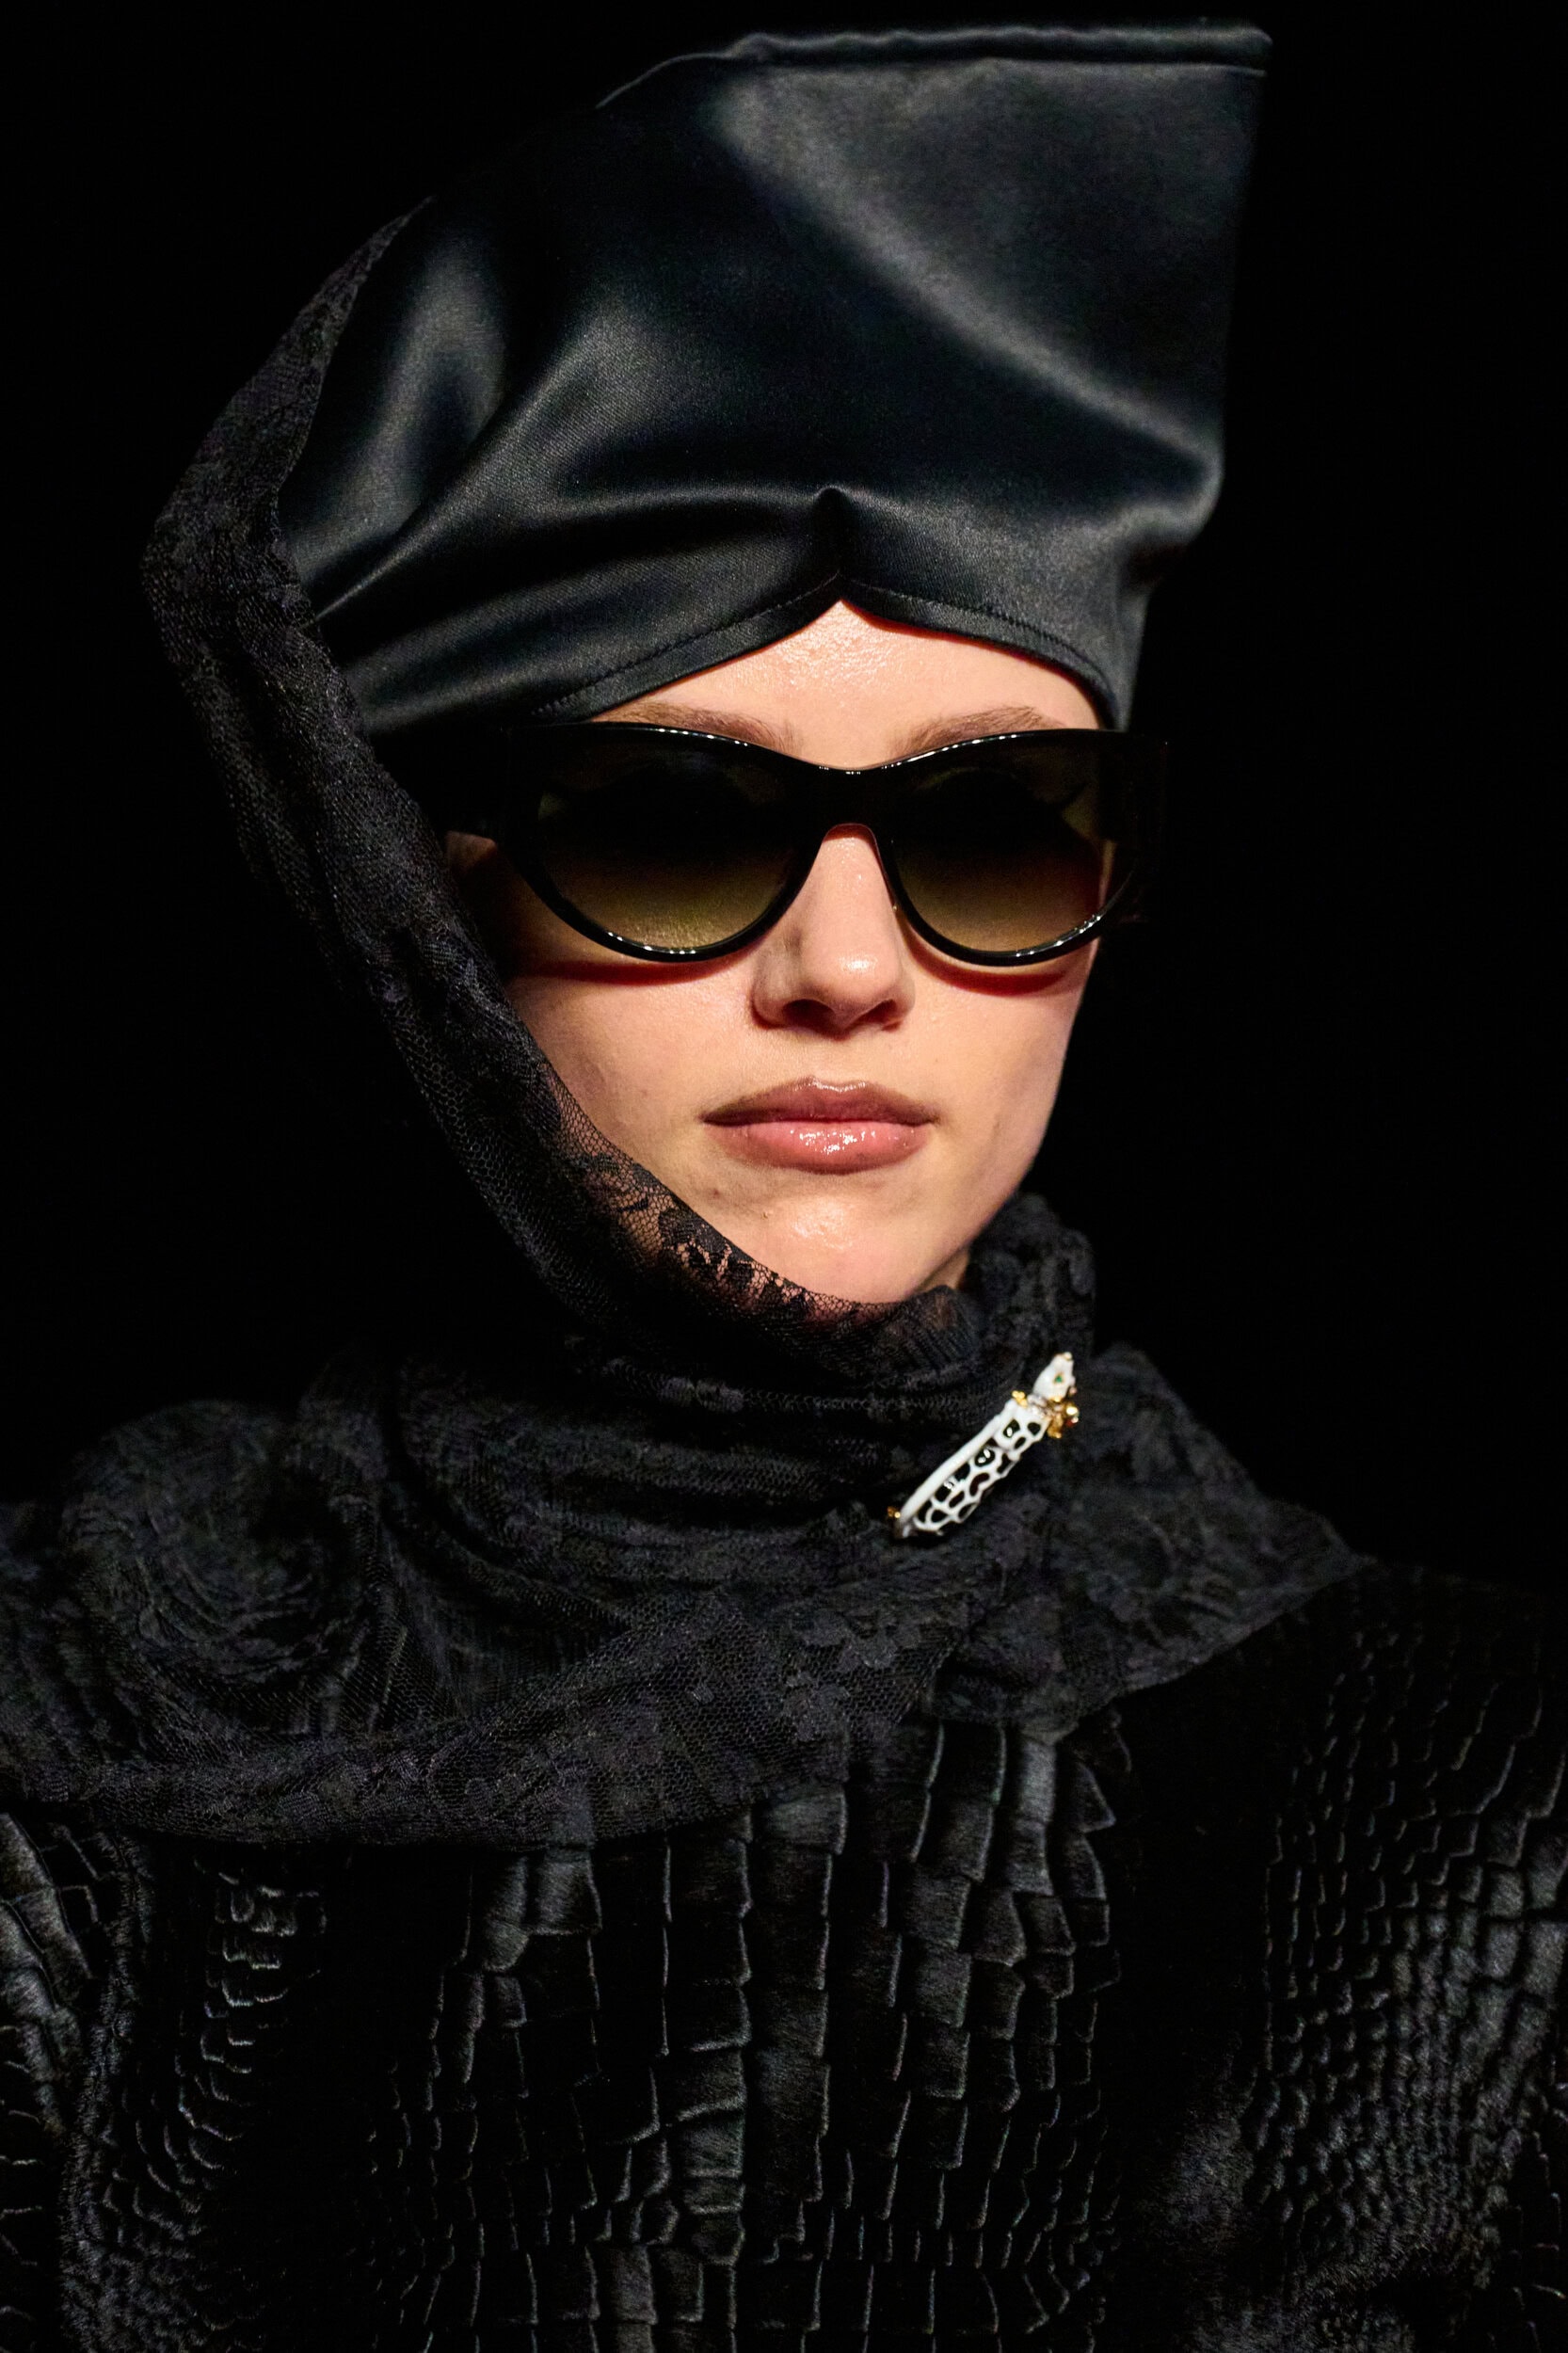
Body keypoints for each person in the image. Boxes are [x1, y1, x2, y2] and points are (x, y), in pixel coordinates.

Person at [1, 24, 1560, 2350]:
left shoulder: (1465, 1777)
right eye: (667, 828)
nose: (849, 968)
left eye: (996, 829)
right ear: (403, 908)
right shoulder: (80, 1741)